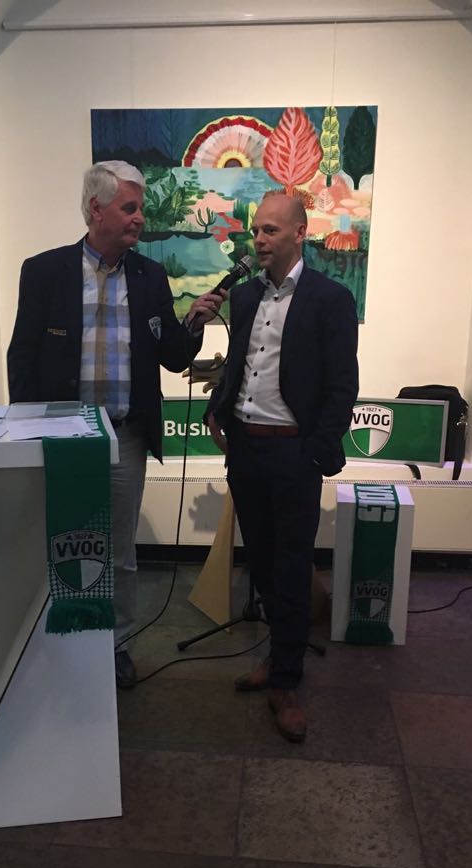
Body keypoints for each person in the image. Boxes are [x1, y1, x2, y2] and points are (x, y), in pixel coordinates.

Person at [7, 160, 223, 688]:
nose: (139, 217)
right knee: (64, 543)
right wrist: (28, 431)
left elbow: (173, 356)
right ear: (95, 209)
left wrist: (194, 322)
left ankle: (116, 645)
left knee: (120, 554)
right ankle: (61, 641)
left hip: (124, 437)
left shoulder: (150, 276)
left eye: (140, 207)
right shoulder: (44, 271)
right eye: (129, 207)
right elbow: (22, 357)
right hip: (63, 437)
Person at [206, 191, 359, 741]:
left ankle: (287, 681)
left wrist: (316, 449)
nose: (259, 239)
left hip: (294, 453)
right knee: (264, 566)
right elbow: (241, 364)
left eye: (270, 230)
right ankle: (277, 657)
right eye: (256, 231)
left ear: (300, 233)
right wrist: (218, 407)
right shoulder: (245, 296)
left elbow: (342, 384)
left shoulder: (330, 299)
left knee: (293, 569)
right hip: (247, 450)